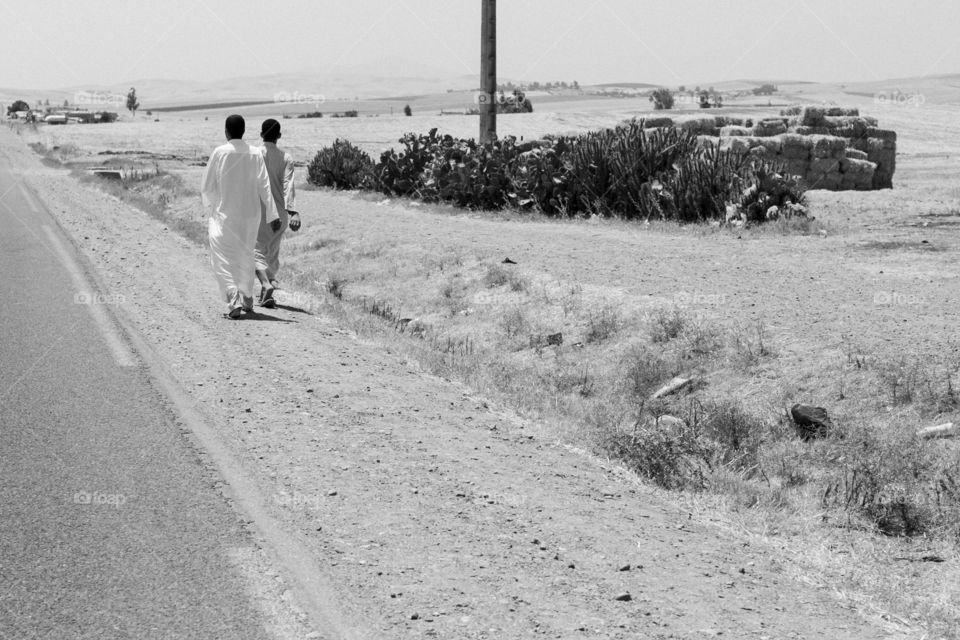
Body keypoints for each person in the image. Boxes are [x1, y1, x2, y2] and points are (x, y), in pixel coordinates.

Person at [201, 114, 281, 319]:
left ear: (226, 131)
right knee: (245, 256)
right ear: (244, 131)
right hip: (249, 217)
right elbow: (264, 185)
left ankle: (233, 301)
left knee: (223, 260)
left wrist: (212, 207)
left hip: (224, 217)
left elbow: (208, 187)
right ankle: (246, 297)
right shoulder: (255, 153)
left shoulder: (220, 153)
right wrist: (272, 215)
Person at [254, 118, 300, 308]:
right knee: (272, 250)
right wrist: (293, 212)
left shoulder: (254, 154)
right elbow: (288, 185)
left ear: (261, 134)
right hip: (280, 213)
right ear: (279, 136)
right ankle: (270, 283)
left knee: (254, 250)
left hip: (259, 210)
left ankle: (266, 284)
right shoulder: (286, 158)